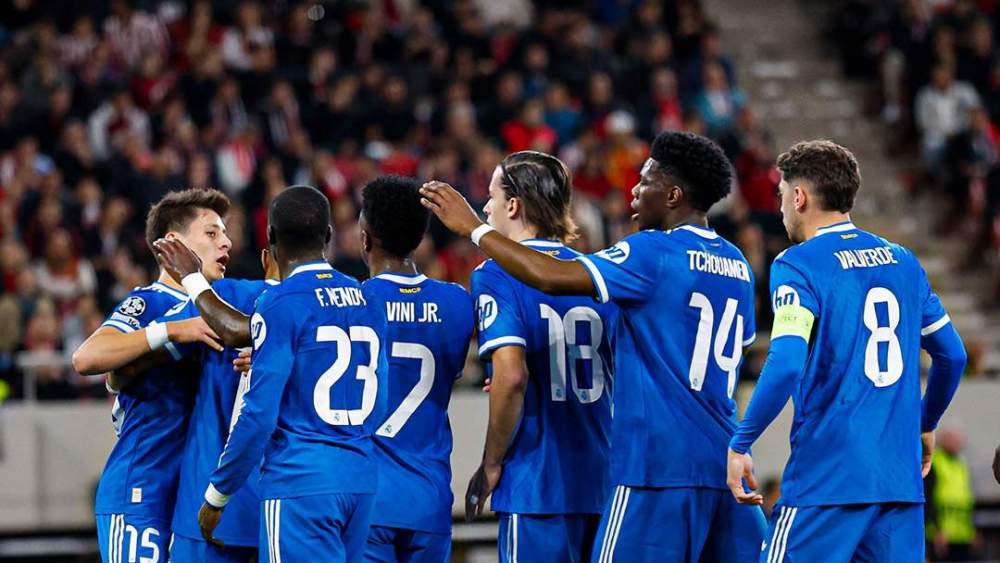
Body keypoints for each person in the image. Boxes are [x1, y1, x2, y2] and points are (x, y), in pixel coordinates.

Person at [419, 131, 766, 561]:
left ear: (674, 194)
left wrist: (475, 229)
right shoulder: (737, 264)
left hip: (651, 467)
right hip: (719, 460)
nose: (634, 190)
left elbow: (545, 283)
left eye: (646, 180)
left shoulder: (646, 254)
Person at [726, 140, 968, 562]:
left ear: (799, 197)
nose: (781, 208)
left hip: (828, 479)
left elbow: (784, 364)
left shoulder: (797, 264)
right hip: (898, 484)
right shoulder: (903, 262)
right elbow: (952, 356)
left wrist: (741, 442)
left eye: (782, 195)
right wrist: (925, 422)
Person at [180, 185, 389, 562]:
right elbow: (381, 398)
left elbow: (258, 416)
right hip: (361, 480)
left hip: (300, 482)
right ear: (328, 236)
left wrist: (216, 496)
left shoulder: (278, 302)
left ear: (271, 240)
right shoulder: (369, 297)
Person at [464, 151, 616, 563]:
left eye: (492, 196)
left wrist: (491, 462)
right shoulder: (600, 273)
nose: (485, 207)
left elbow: (512, 377)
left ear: (513, 205)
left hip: (536, 484)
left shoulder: (495, 272)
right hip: (604, 483)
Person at [71, 188, 234, 563]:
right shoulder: (151, 301)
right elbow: (87, 358)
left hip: (195, 495)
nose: (225, 242)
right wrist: (171, 331)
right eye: (211, 233)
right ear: (173, 243)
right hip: (143, 489)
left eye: (225, 233)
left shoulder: (222, 307)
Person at [357, 176, 474, 562]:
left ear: (365, 237)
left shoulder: (351, 302)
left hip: (368, 494)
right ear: (421, 237)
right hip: (430, 494)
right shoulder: (458, 303)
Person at [925, 428, 978, 561]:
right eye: (951, 439)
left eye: (957, 440)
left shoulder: (961, 465)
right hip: (940, 536)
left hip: (962, 535)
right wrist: (938, 531)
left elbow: (966, 500)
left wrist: (973, 532)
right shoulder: (934, 462)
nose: (956, 443)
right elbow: (928, 498)